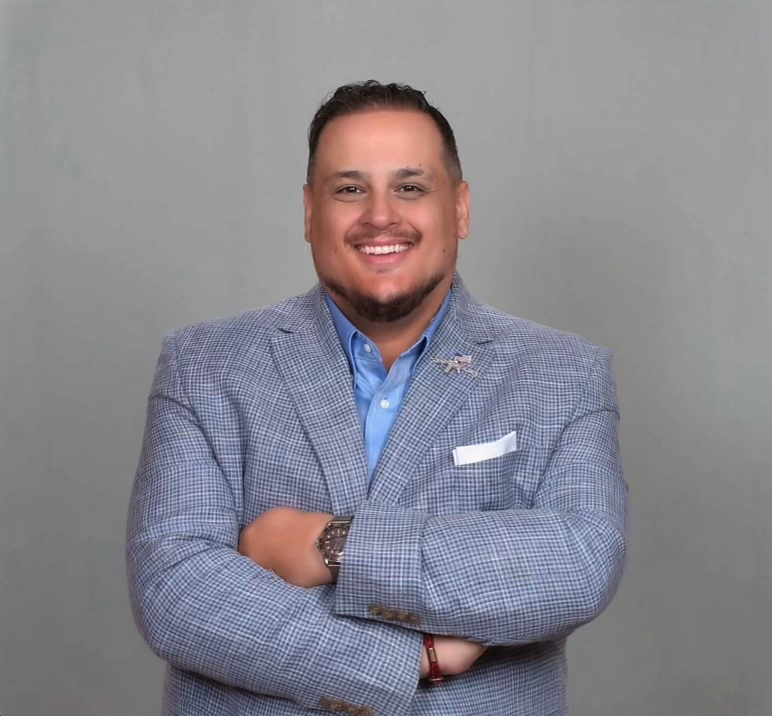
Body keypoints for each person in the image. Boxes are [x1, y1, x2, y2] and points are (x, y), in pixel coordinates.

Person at [126, 80, 628, 716]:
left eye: (410, 187)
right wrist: (410, 659)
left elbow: (577, 562)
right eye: (349, 188)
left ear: (462, 209)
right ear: (310, 212)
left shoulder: (563, 372)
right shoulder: (206, 364)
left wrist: (332, 545)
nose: (380, 215)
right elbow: (176, 591)